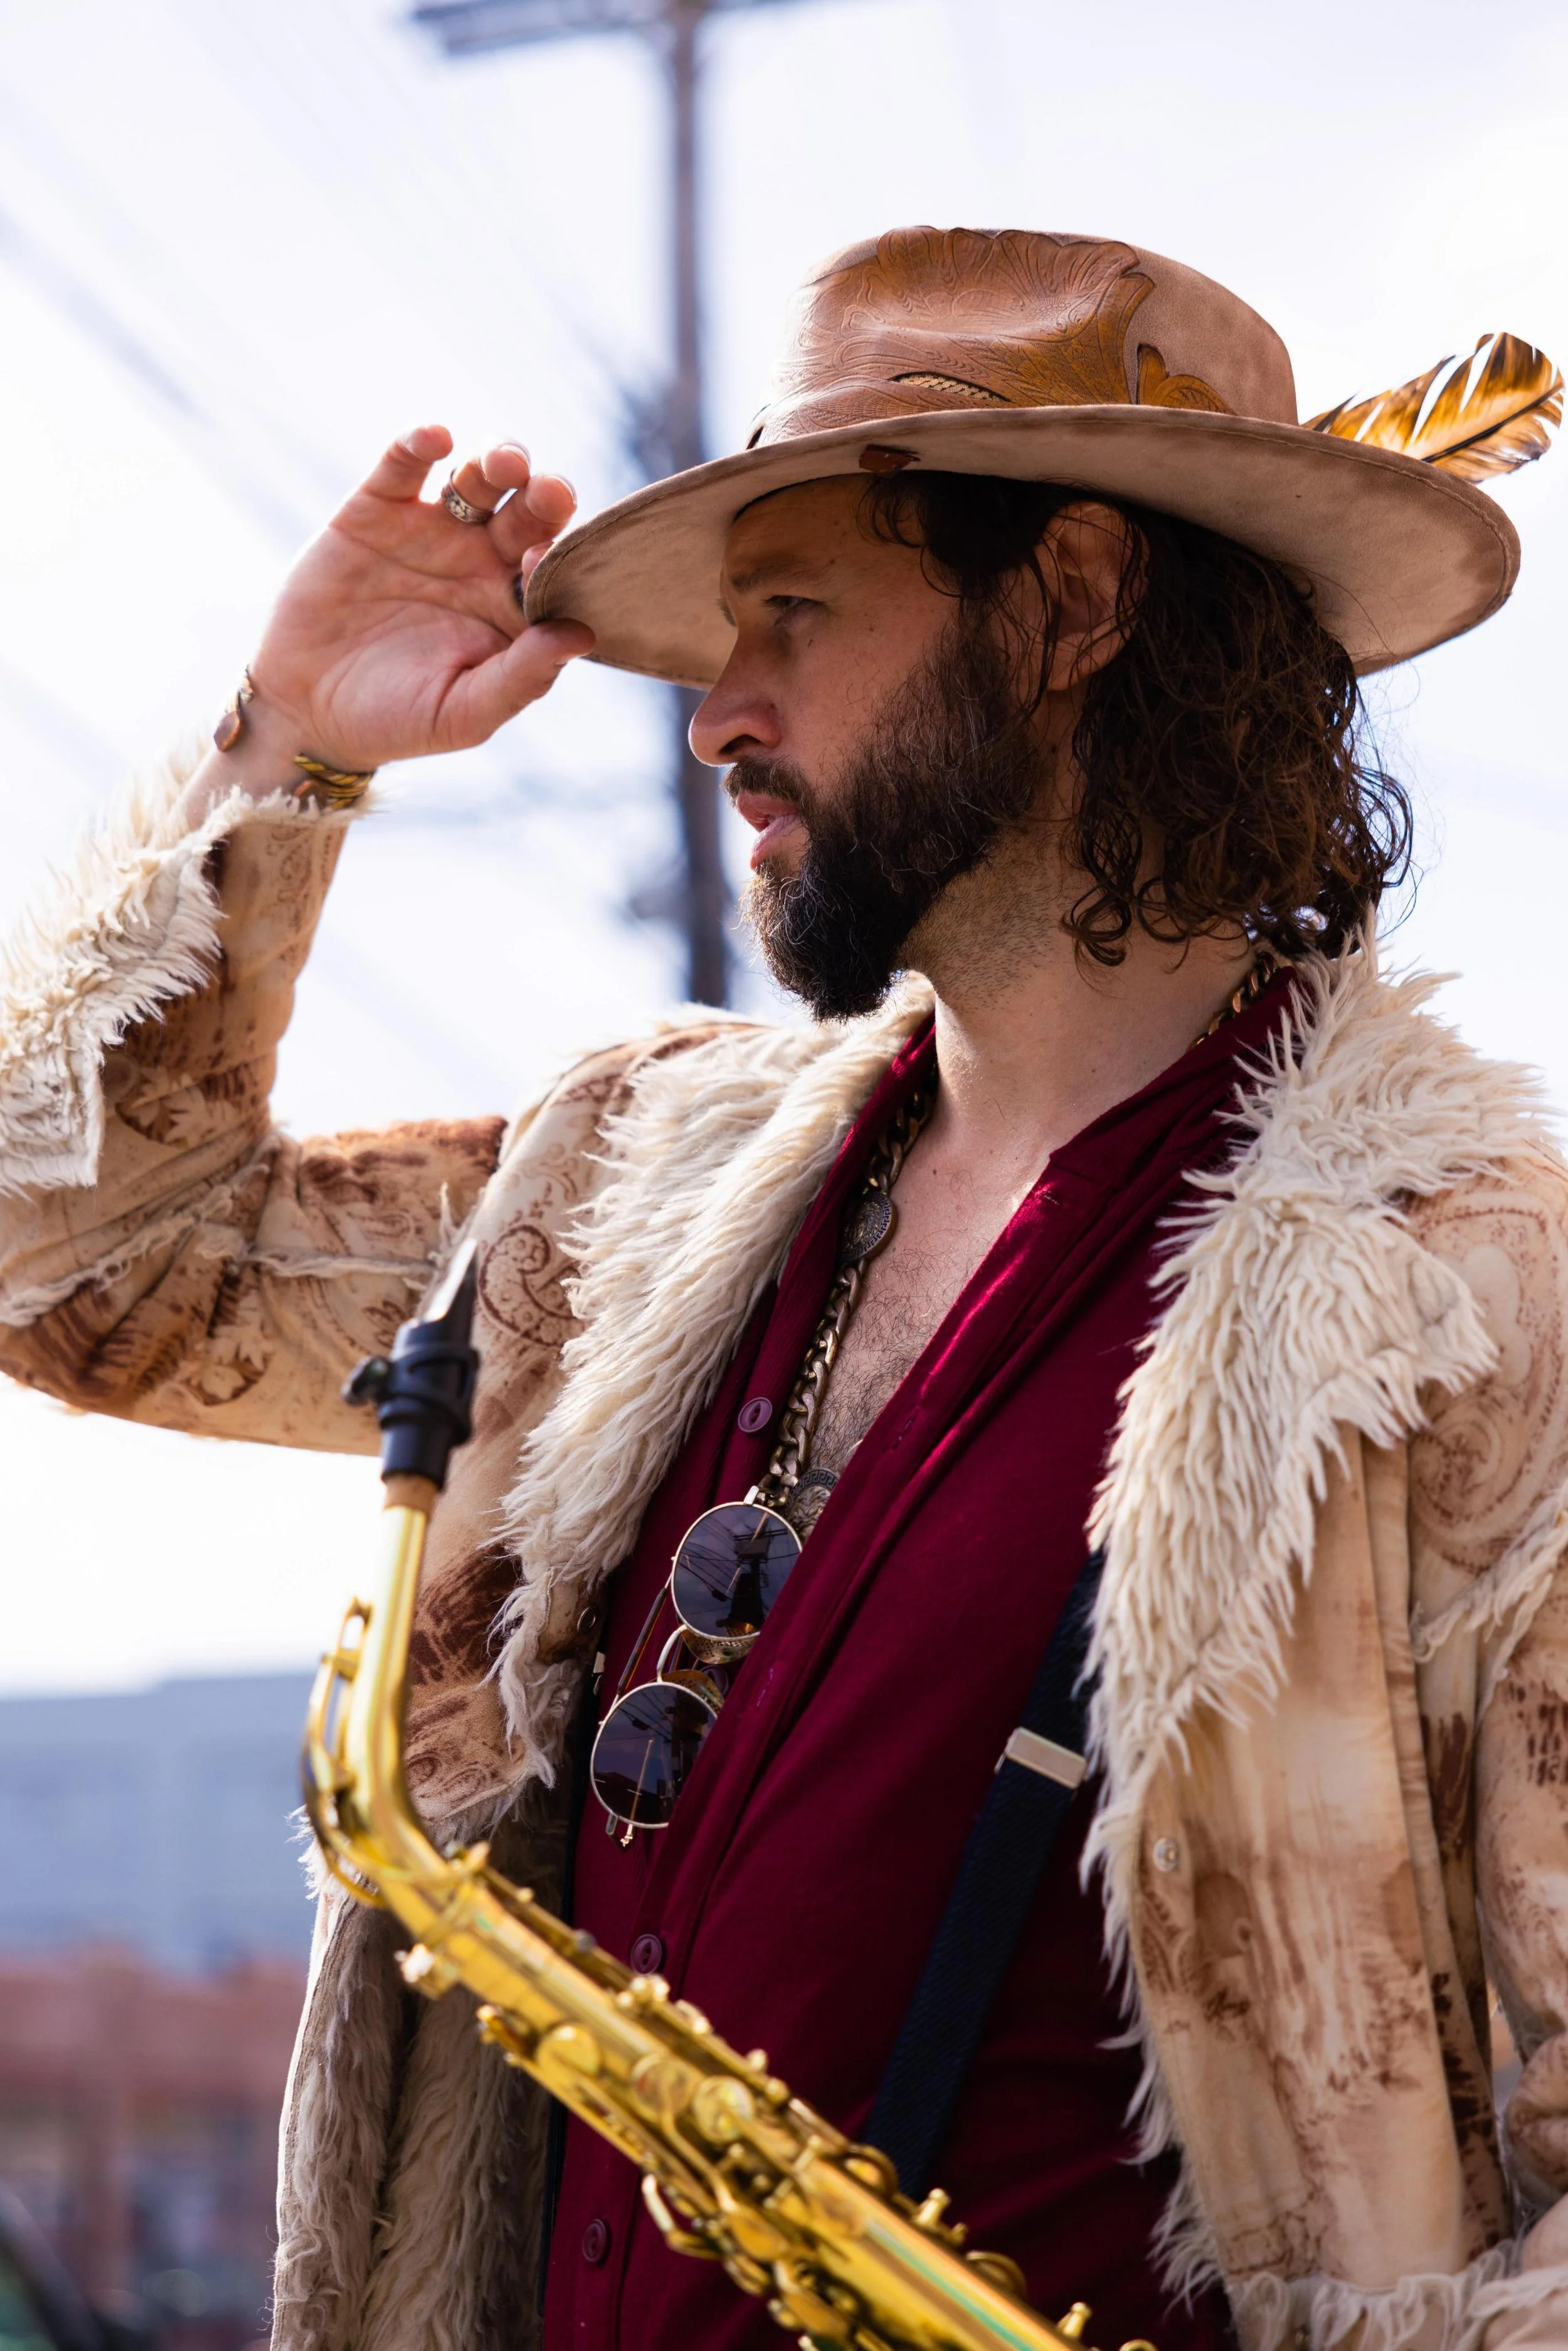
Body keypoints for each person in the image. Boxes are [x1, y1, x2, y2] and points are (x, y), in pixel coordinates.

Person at [0, 226, 1564, 2351]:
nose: (715, 716)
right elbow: (83, 1267)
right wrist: (293, 751)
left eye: (795, 617)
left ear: (1074, 606)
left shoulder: (1477, 1292)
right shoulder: (625, 1174)